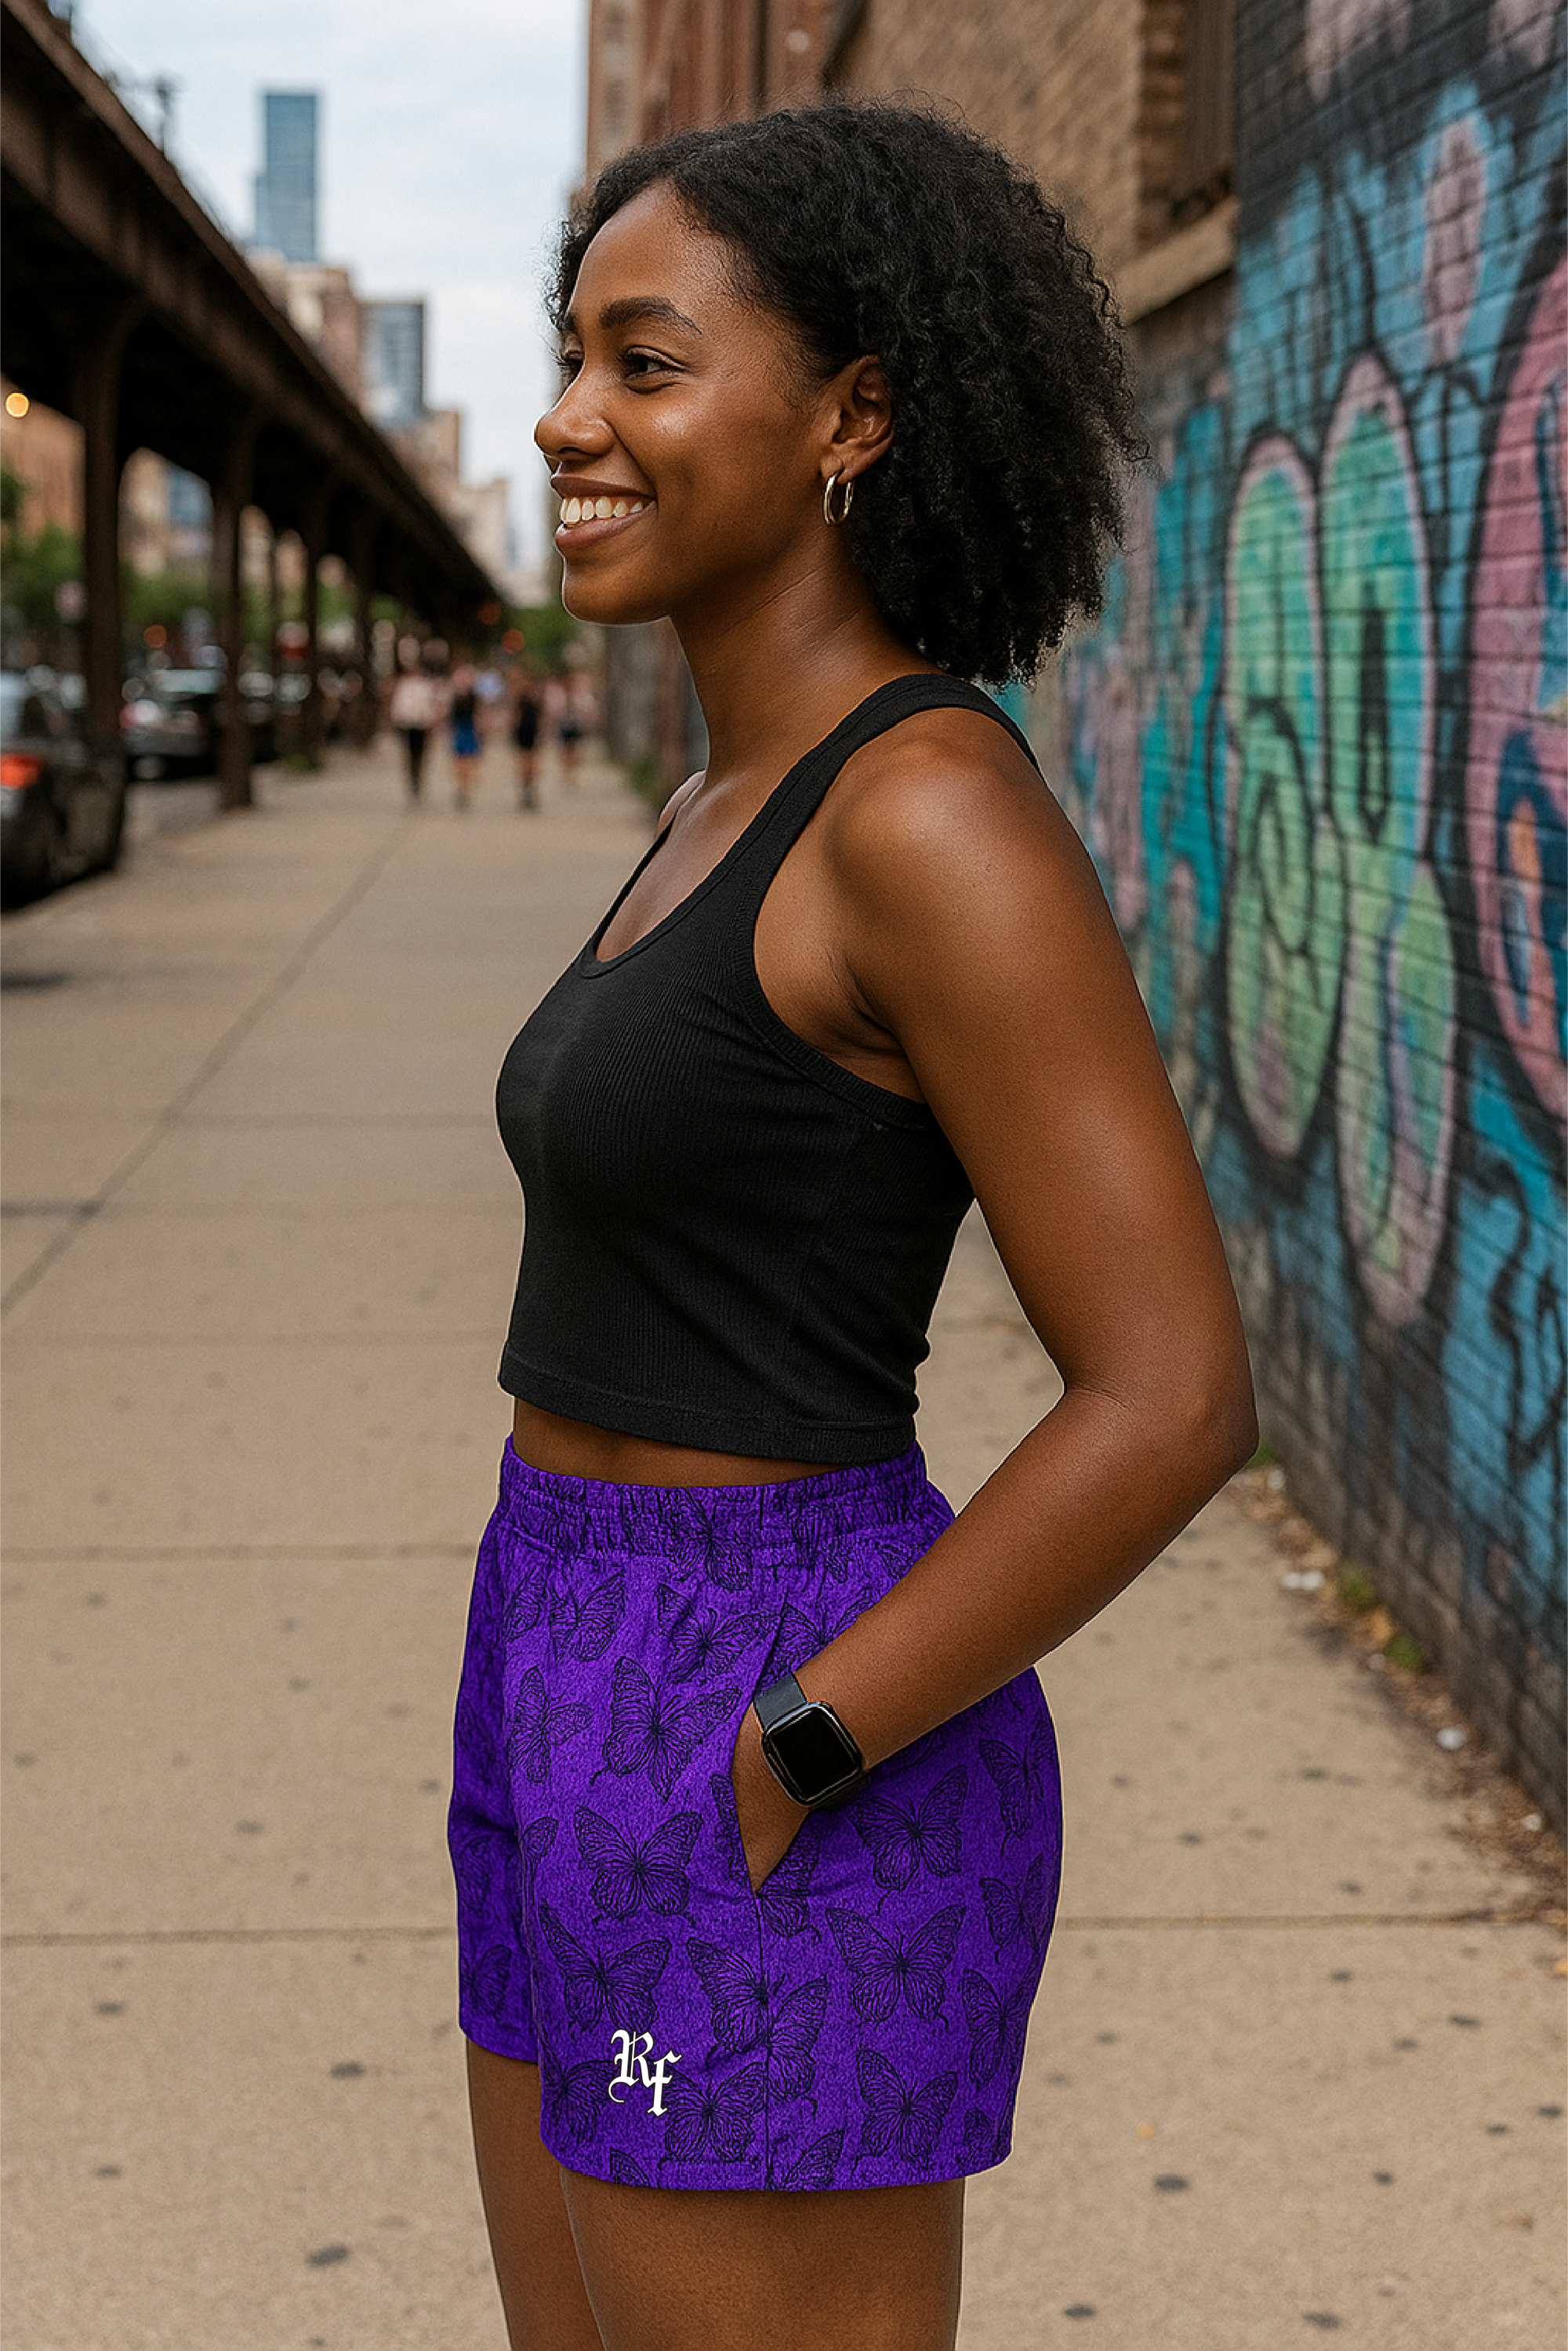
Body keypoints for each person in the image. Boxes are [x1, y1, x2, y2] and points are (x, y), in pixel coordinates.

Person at [448, 102, 1257, 2351]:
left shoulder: (922, 810)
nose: (567, 415)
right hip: (553, 1654)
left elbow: (1173, 1383)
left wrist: (799, 1734)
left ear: (855, 417)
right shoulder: (714, 799)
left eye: (644, 360)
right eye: (565, 357)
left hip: (772, 1703)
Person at [387, 655, 445, 802]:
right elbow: (399, 705)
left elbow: (433, 704)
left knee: (421, 755)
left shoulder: (425, 686)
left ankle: (419, 782)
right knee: (409, 755)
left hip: (422, 725)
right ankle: (412, 782)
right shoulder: (403, 686)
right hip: (407, 725)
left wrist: (432, 720)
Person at [449, 662, 482, 810]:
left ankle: (466, 789)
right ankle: (461, 789)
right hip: (459, 730)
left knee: (469, 761)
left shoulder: (474, 696)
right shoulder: (454, 695)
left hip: (469, 729)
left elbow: (479, 715)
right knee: (458, 762)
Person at [511, 669, 543, 810]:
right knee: (524, 761)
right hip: (522, 733)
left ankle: (530, 788)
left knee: (532, 762)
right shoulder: (518, 700)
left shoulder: (535, 700)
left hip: (532, 733)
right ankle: (526, 788)